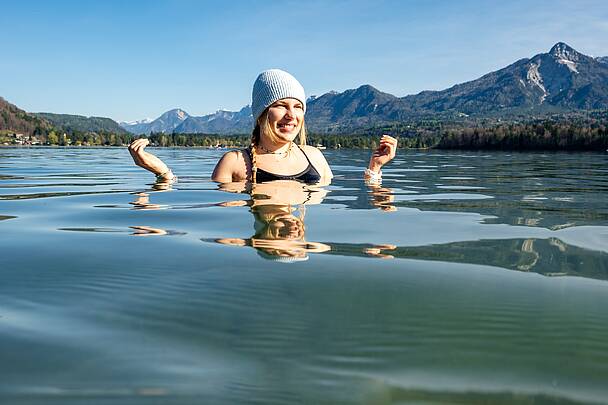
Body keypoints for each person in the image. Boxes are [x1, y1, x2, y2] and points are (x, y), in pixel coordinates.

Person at [128, 69, 397, 185]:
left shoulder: (314, 156)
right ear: (261, 114)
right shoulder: (235, 162)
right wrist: (162, 172)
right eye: (281, 105)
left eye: (299, 106)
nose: (292, 115)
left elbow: (357, 191)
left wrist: (375, 168)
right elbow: (196, 190)